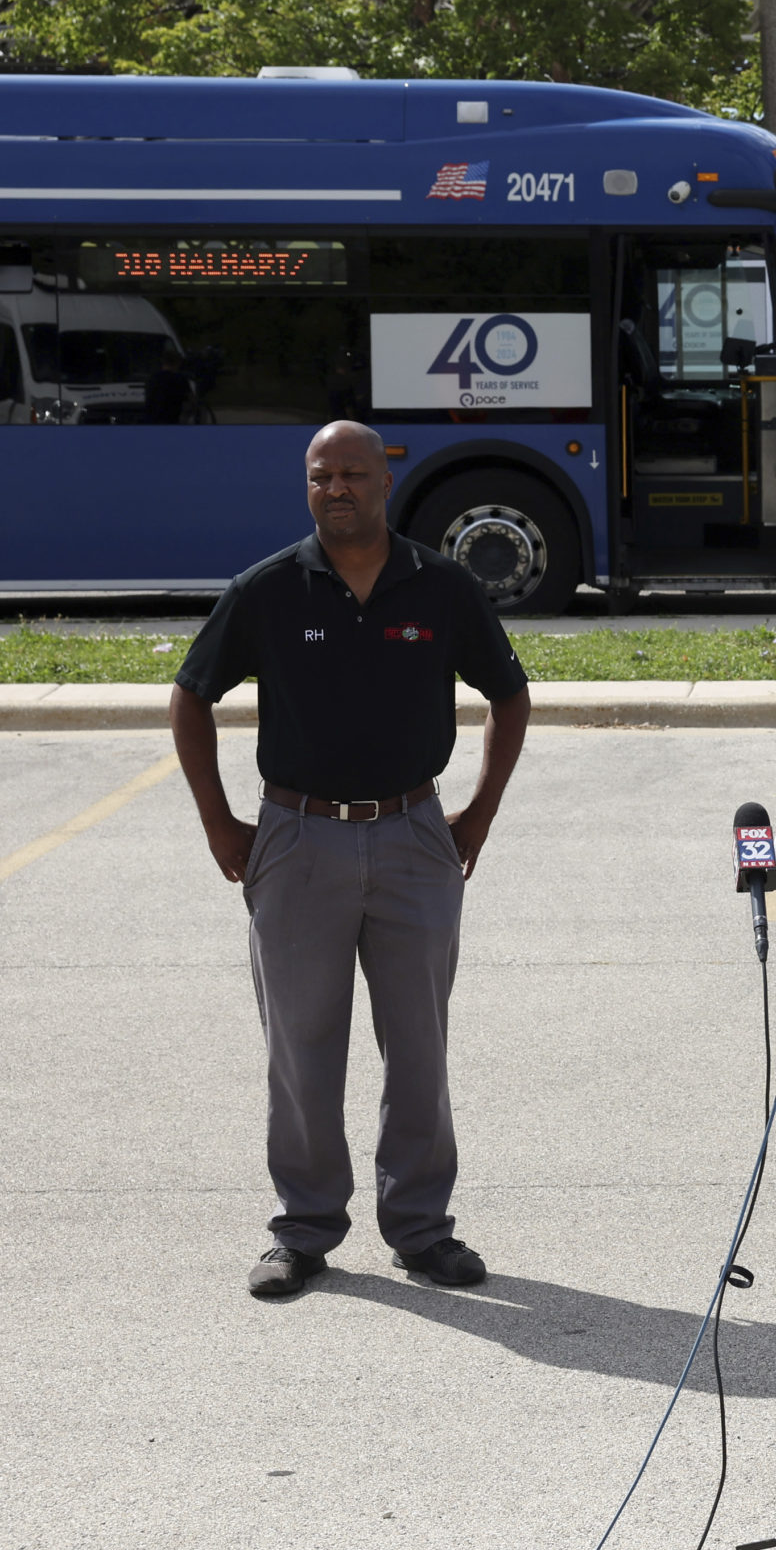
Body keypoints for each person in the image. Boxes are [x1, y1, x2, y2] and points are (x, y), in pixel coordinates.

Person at [169, 420, 531, 1301]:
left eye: (353, 474)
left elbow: (509, 696)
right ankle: (303, 1229)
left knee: (418, 1046)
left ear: (384, 481)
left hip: (414, 836)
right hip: (295, 840)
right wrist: (221, 824)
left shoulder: (441, 586)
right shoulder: (267, 590)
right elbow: (190, 699)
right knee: (301, 1045)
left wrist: (476, 815)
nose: (336, 488)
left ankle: (420, 1229)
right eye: (320, 475)